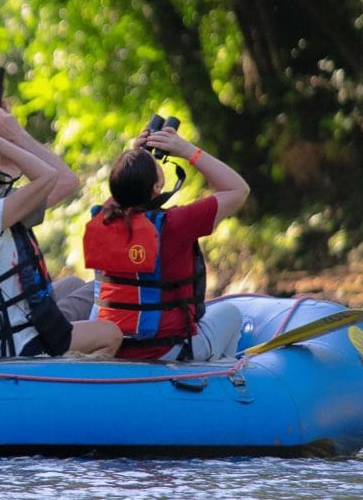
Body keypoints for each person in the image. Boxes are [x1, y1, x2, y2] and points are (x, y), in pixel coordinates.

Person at [0, 107, 122, 359]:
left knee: (71, 285)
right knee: (111, 334)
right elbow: (48, 176)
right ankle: (63, 384)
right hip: (14, 344)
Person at [82, 123, 250, 361]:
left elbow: (124, 192)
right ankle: (220, 381)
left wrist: (133, 156)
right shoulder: (176, 224)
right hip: (165, 351)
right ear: (157, 187)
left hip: (112, 348)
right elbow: (238, 189)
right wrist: (188, 150)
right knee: (231, 313)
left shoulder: (103, 218)